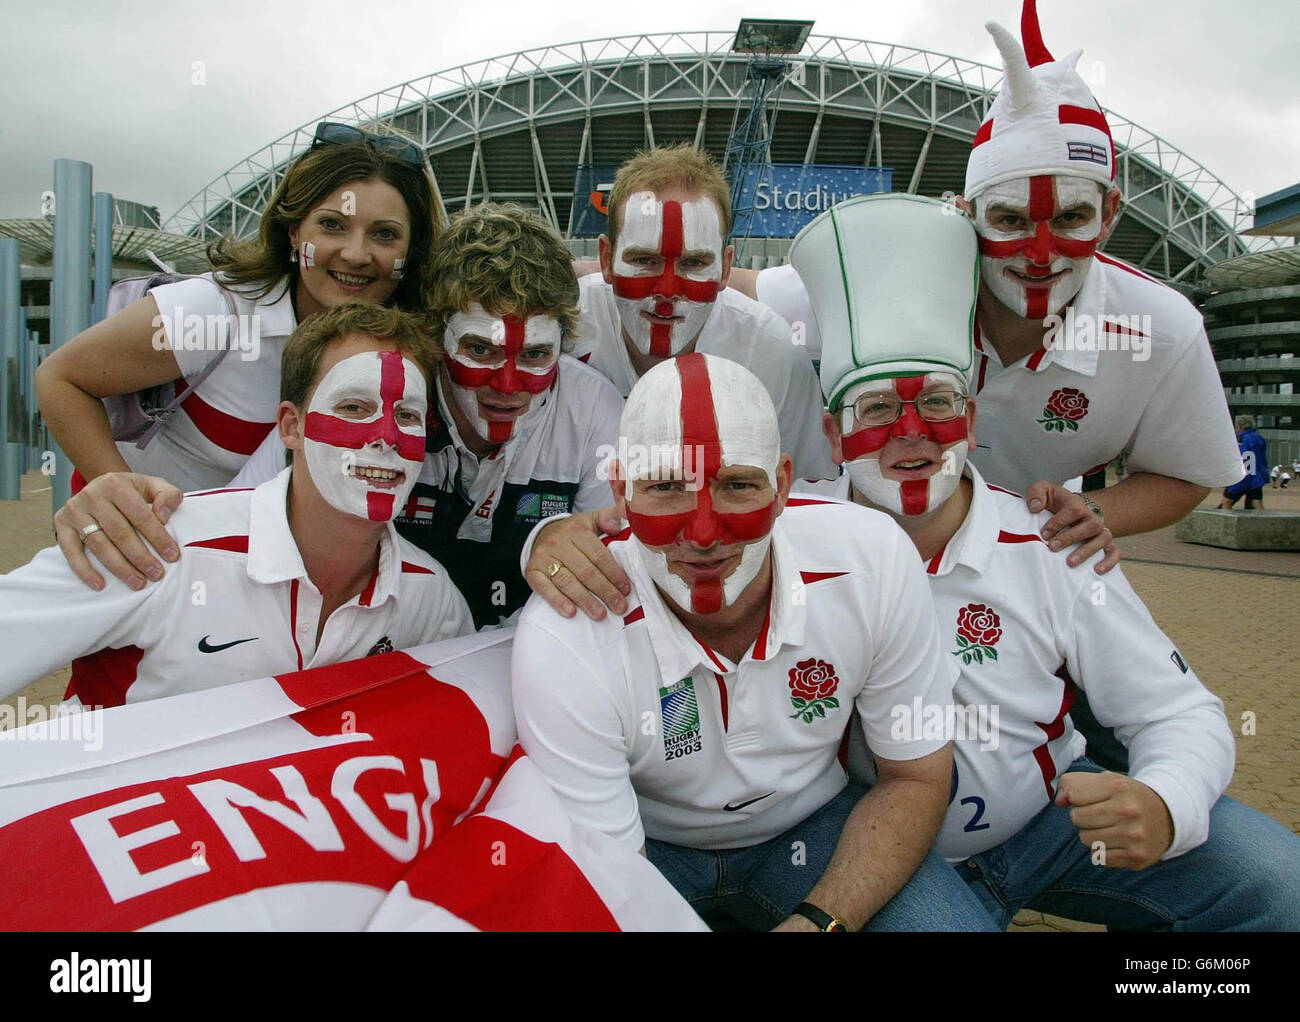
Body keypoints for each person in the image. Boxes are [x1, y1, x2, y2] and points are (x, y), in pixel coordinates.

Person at [797, 193, 1300, 930]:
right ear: (832, 437)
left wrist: (1164, 801)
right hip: (876, 848)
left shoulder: (1046, 540)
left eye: (937, 402)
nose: (913, 434)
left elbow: (1177, 709)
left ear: (970, 418)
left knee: (1274, 882)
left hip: (1050, 828)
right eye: (875, 409)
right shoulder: (783, 538)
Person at [732, 0, 1242, 561]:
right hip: (865, 564)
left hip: (1029, 566)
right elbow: (741, 289)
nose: (1041, 254)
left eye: (1071, 217)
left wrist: (1092, 515)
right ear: (965, 211)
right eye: (1009, 220)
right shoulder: (892, 278)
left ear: (1112, 211)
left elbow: (1187, 474)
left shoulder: (1163, 332)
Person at [512, 351, 997, 931]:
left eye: (738, 485)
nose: (704, 533)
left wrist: (822, 923)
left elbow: (916, 778)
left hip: (816, 825)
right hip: (647, 842)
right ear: (619, 491)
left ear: (784, 485)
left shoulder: (874, 559)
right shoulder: (565, 633)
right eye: (666, 486)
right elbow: (616, 877)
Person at [0, 303, 473, 705]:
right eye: (353, 407)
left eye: (407, 415)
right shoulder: (162, 547)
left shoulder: (432, 600)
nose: (386, 438)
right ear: (291, 427)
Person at [43, 121, 443, 589]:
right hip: (149, 570)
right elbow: (61, 377)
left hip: (274, 587)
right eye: (332, 225)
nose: (356, 254)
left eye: (385, 234)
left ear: (411, 252)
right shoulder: (214, 311)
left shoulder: (410, 351)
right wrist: (116, 495)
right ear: (293, 232)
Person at [576, 143, 836, 482]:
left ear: (726, 268)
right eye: (644, 260)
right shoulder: (567, 325)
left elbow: (807, 489)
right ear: (606, 259)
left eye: (694, 263)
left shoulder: (772, 352)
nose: (667, 291)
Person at [1220, 414, 1268, 509]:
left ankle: (1226, 522)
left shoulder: (1241, 439)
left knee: (1227, 501)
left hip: (1243, 476)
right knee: (1256, 501)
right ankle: (1262, 521)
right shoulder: (1259, 438)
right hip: (1257, 476)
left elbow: (1244, 457)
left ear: (1240, 427)